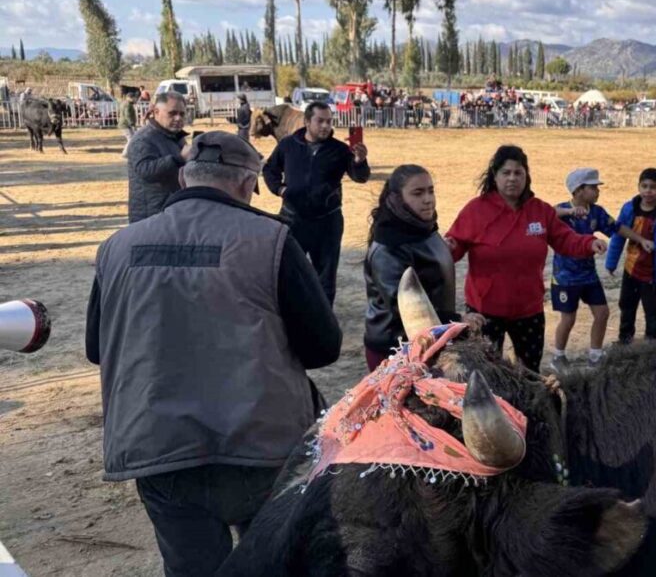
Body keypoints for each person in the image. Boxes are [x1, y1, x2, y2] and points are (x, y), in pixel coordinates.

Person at [86, 132, 342, 577]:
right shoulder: (274, 241)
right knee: (276, 564)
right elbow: (323, 347)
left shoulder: (117, 247)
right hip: (261, 447)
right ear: (248, 183)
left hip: (159, 448)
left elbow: (96, 349)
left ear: (183, 178)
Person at [446, 145, 606, 372]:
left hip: (528, 309)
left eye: (518, 173)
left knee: (530, 372)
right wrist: (445, 249)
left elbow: (565, 238)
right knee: (486, 375)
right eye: (506, 173)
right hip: (484, 311)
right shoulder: (476, 210)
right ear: (495, 176)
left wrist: (589, 242)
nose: (512, 178)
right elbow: (454, 245)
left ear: (526, 176)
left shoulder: (540, 210)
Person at [363, 164, 484, 369]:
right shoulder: (387, 248)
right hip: (396, 349)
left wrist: (441, 251)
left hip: (430, 340)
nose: (428, 199)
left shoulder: (422, 228)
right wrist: (457, 320)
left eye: (430, 191)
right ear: (397, 199)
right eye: (418, 193)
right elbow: (404, 307)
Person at [262, 101, 370, 303]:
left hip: (327, 223)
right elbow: (269, 169)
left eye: (329, 121)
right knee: (289, 272)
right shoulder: (287, 145)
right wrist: (280, 189)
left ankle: (323, 321)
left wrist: (359, 161)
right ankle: (291, 318)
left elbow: (360, 177)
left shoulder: (339, 149)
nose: (325, 126)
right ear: (306, 121)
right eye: (320, 121)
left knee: (325, 279)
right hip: (292, 220)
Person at [550, 168, 654, 369]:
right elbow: (547, 214)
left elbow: (617, 228)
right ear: (579, 190)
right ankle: (558, 356)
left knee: (602, 313)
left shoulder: (597, 212)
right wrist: (570, 211)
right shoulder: (562, 210)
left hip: (589, 275)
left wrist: (641, 240)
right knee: (568, 318)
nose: (598, 191)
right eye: (593, 187)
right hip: (565, 277)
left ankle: (595, 355)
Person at [605, 168, 656, 344]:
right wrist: (611, 262)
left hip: (653, 274)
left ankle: (652, 344)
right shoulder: (629, 209)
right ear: (638, 187)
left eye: (653, 187)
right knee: (626, 306)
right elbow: (618, 235)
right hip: (631, 269)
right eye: (645, 186)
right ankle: (624, 340)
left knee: (652, 311)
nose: (648, 191)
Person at [127, 92, 188, 223]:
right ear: (156, 112)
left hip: (171, 210)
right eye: (172, 113)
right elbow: (145, 170)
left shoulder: (175, 136)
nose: (178, 118)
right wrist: (179, 158)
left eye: (182, 114)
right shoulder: (144, 138)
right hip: (150, 214)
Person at [118, 93, 137, 159]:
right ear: (129, 98)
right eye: (134, 98)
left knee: (132, 138)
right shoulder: (128, 105)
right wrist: (131, 124)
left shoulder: (123, 103)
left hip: (124, 124)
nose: (135, 99)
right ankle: (125, 153)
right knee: (131, 139)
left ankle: (130, 153)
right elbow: (127, 115)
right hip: (125, 124)